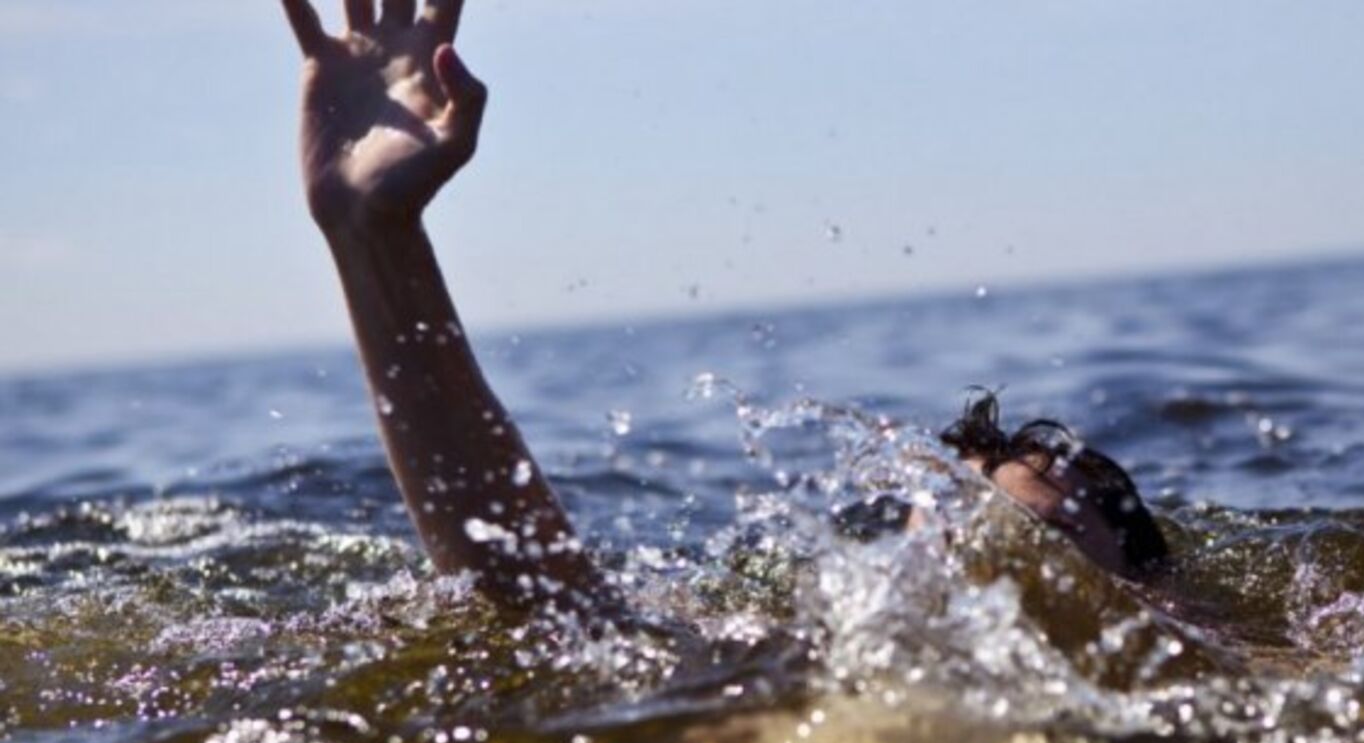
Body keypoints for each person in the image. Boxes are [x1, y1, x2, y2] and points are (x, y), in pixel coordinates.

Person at [275, 0, 1170, 618]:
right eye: (958, 524)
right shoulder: (791, 671)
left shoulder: (1204, 684)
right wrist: (373, 240)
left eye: (1035, 529)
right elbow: (535, 599)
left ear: (1153, 593)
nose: (977, 548)